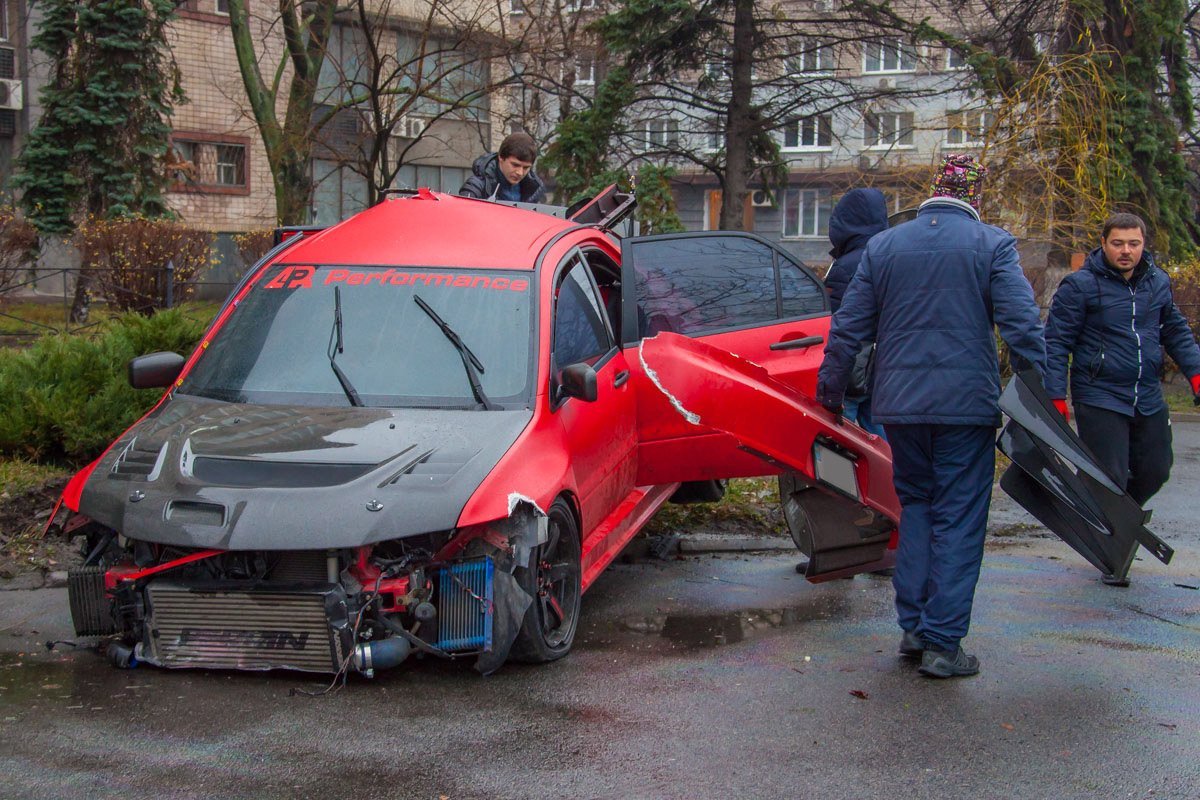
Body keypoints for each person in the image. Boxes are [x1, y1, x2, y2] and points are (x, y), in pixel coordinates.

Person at [816, 154, 1047, 679]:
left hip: (898, 405)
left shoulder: (884, 246)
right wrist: (1046, 396)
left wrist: (829, 394)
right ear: (975, 198)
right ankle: (944, 643)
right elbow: (1022, 328)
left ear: (932, 194)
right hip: (966, 408)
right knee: (960, 516)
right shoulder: (993, 244)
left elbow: (848, 329)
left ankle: (914, 628)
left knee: (916, 506)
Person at [1044, 212, 1200, 586]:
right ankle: (1113, 554)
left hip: (1145, 393)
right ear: (1104, 243)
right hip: (1099, 395)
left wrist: (1196, 374)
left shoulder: (1157, 282)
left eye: (1133, 243)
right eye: (1118, 243)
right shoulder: (1079, 287)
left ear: (1143, 244)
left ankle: (1106, 517)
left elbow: (1175, 331)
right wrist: (1055, 396)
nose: (1126, 251)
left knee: (1156, 469)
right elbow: (1055, 343)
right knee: (1110, 475)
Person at [825, 188, 889, 437]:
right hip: (884, 367)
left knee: (842, 438)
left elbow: (839, 320)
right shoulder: (889, 255)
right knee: (883, 439)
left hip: (853, 367)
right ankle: (889, 476)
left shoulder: (847, 265)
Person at [458, 132, 547, 203]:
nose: (520, 172)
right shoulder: (477, 187)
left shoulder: (534, 190)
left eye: (526, 168)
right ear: (501, 157)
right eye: (515, 165)